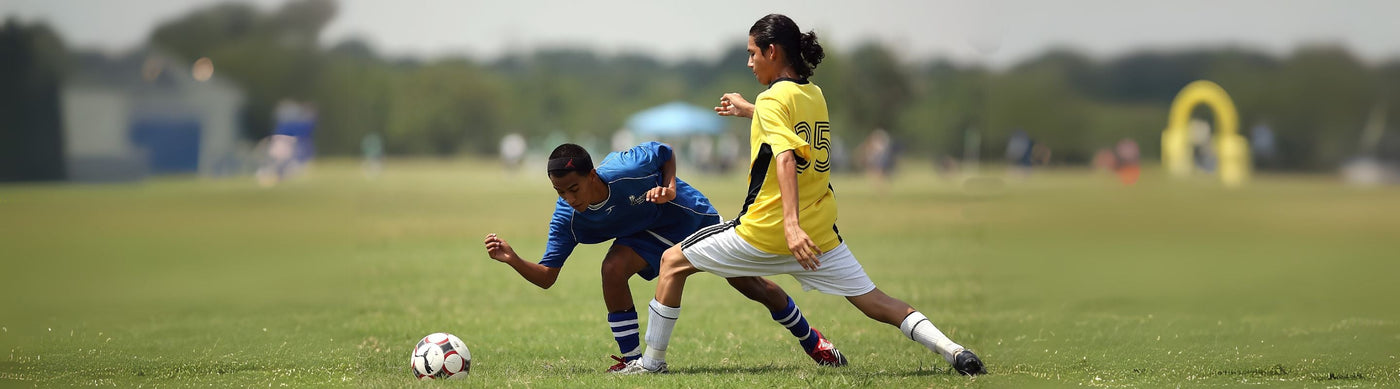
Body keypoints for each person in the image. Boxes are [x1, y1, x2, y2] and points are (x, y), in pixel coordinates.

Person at [615, 14, 986, 376]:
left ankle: (652, 364)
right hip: (819, 235)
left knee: (672, 261)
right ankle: (954, 351)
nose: (749, 62)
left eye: (752, 53)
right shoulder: (814, 94)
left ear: (772, 51)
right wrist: (750, 110)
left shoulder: (772, 100)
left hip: (765, 231)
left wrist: (790, 225)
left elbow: (787, 157)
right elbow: (787, 124)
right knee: (875, 300)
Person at [483, 141, 848, 372]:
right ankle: (632, 361)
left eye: (574, 188)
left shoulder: (627, 168)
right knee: (612, 268)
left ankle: (812, 340)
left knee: (750, 285)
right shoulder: (568, 218)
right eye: (560, 192)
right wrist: (513, 259)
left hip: (688, 217)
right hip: (645, 236)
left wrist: (670, 187)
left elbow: (665, 152)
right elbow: (547, 276)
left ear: (592, 175)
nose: (569, 198)